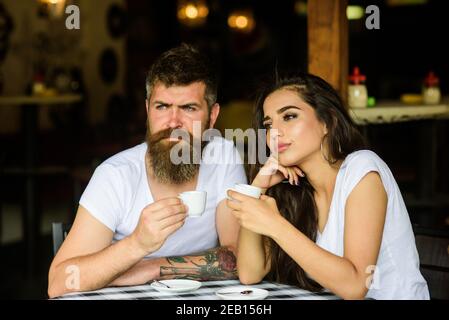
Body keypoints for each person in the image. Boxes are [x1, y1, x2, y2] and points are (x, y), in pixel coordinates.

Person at [48, 44, 247, 298]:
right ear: (147, 109)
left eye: (189, 108)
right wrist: (137, 244)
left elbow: (238, 257)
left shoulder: (223, 156)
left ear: (213, 116)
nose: (173, 122)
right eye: (162, 106)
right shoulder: (115, 175)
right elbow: (59, 283)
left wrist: (153, 267)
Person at [227, 72, 429, 300]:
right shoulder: (295, 190)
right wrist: (257, 189)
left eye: (289, 116)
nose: (275, 132)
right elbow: (249, 274)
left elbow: (355, 286)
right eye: (268, 124)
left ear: (327, 122)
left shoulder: (362, 169)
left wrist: (274, 224)